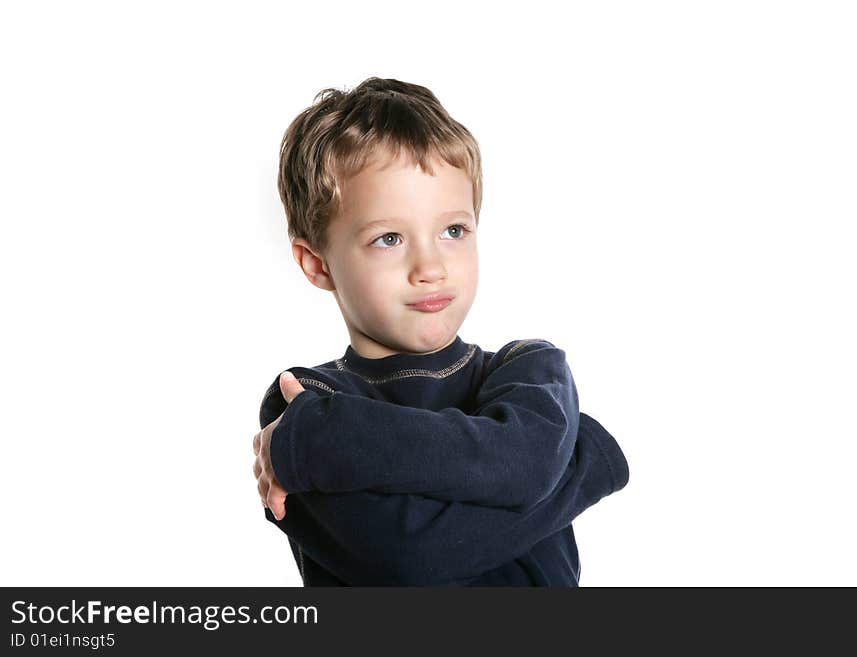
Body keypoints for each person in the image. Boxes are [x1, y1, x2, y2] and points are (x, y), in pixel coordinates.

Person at [251, 77, 629, 586]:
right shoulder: (304, 402)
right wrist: (584, 466)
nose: (430, 266)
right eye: (389, 238)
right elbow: (410, 557)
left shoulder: (528, 369)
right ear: (317, 264)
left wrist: (334, 439)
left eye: (453, 231)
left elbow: (522, 467)